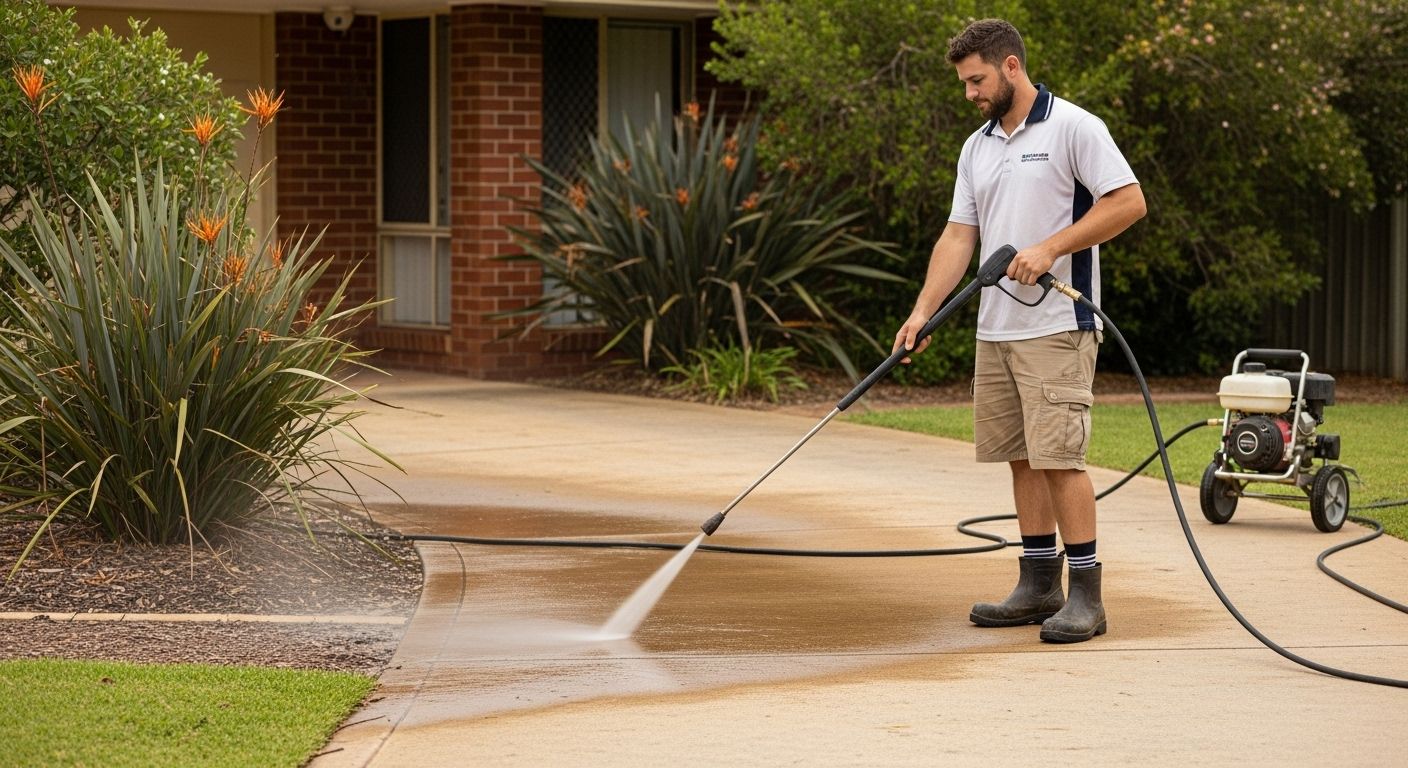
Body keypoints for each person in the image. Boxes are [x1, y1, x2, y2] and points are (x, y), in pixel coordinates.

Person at [893, 19, 1146, 643]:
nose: (970, 93)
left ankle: (1087, 595)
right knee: (1021, 457)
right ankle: (1038, 583)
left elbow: (1128, 201)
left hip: (1060, 322)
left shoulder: (1075, 128)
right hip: (996, 327)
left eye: (976, 79)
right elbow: (959, 236)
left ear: (1011, 67)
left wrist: (1049, 248)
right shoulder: (976, 147)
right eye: (963, 83)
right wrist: (924, 311)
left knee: (1060, 459)